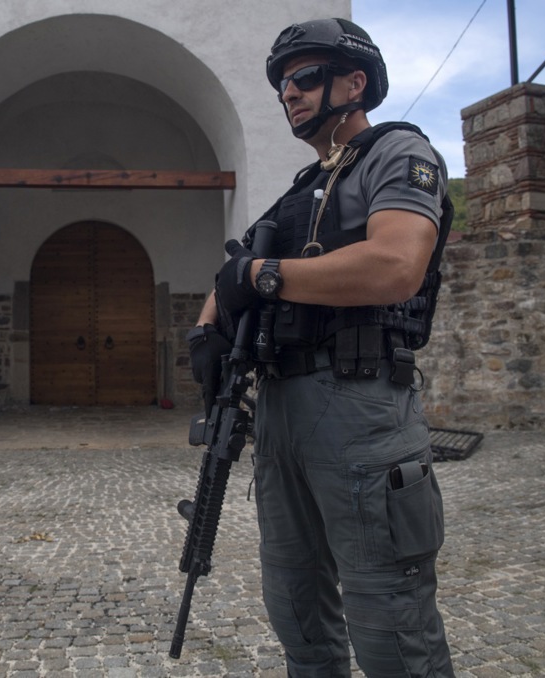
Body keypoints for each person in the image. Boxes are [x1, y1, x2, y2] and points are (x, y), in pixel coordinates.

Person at [187, 18, 455, 677]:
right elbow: (230, 276)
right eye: (282, 85)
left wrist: (264, 277)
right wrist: (206, 333)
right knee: (297, 613)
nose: (290, 94)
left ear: (354, 82)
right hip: (282, 419)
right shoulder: (295, 193)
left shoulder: (400, 155)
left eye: (304, 78)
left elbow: (395, 265)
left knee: (392, 623)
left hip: (362, 409)